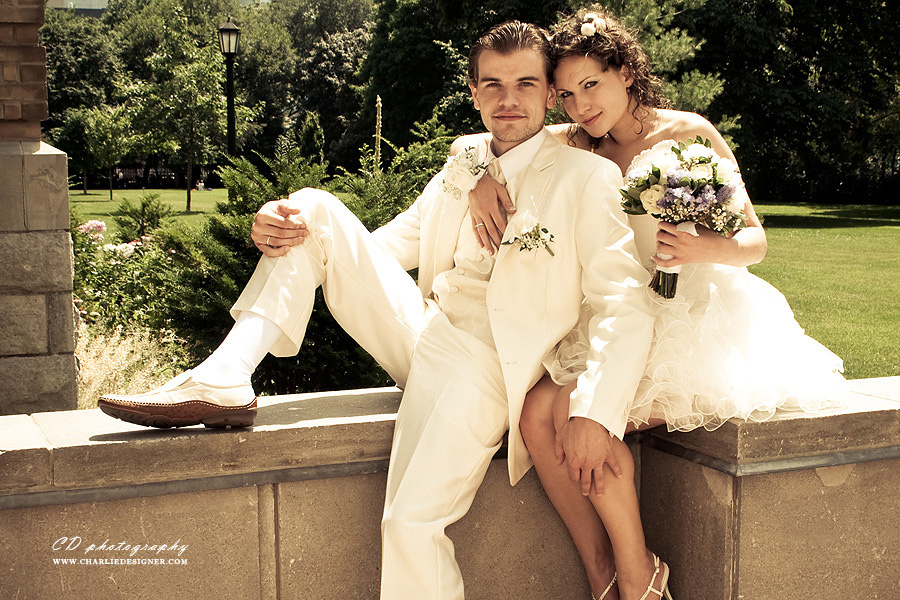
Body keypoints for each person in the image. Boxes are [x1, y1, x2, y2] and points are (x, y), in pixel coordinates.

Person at [99, 20, 657, 599]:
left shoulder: (585, 177)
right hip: (425, 332)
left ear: (549, 94)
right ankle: (224, 378)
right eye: (491, 85)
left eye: (525, 84)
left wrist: (596, 412)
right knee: (310, 208)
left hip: (491, 365)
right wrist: (288, 232)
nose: (508, 100)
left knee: (409, 522)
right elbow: (381, 249)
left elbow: (625, 302)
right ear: (471, 92)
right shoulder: (462, 166)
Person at [454, 6, 847, 600]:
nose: (581, 106)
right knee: (535, 415)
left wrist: (700, 244)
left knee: (577, 416)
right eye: (566, 94)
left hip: (690, 310)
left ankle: (636, 573)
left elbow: (755, 242)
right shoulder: (577, 142)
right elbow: (486, 139)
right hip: (618, 310)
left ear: (627, 72)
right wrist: (480, 174)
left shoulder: (689, 134)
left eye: (592, 85)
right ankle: (601, 570)